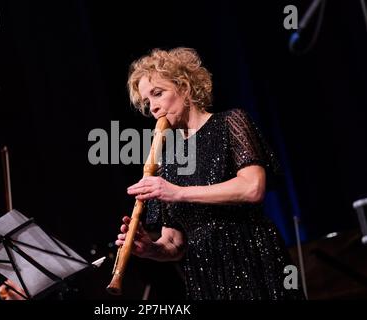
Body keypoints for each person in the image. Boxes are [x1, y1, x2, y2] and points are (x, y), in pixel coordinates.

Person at [115, 47, 304, 300]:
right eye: (147, 102)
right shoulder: (168, 161)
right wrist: (151, 249)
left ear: (184, 87)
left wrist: (178, 192)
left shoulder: (230, 122)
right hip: (205, 275)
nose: (153, 108)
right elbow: (174, 243)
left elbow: (252, 188)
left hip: (253, 255)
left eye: (158, 94)